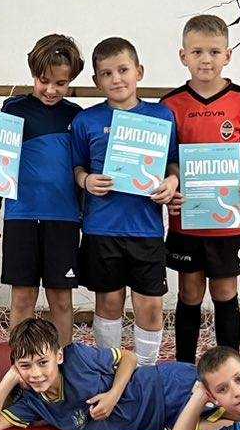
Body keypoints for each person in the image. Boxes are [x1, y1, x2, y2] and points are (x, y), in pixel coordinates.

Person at [70, 37, 179, 365]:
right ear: (96, 81)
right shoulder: (86, 121)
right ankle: (110, 370)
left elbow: (173, 162)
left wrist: (172, 181)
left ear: (139, 72)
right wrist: (86, 180)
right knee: (109, 303)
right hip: (102, 229)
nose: (116, 79)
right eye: (106, 73)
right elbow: (77, 167)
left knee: (151, 305)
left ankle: (145, 374)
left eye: (123, 70)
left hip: (146, 228)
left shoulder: (162, 116)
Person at [160, 15, 240, 361]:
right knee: (190, 292)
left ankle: (229, 368)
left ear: (228, 55)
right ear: (183, 56)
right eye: (197, 52)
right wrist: (171, 188)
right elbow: (168, 159)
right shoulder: (170, 104)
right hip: (187, 216)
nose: (206, 59)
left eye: (214, 52)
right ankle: (185, 369)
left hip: (226, 219)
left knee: (224, 291)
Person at [0, 35, 84, 345]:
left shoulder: (76, 116)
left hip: (64, 219)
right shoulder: (12, 109)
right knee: (22, 298)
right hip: (21, 216)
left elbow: (84, 166)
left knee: (61, 300)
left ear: (70, 80)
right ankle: (20, 364)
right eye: (44, 81)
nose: (51, 89)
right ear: (33, 73)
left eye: (60, 83)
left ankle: (65, 364)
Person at [0, 317, 204, 430]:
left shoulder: (77, 357)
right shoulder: (33, 403)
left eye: (43, 362)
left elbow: (129, 357)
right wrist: (10, 378)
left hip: (166, 387)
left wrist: (113, 395)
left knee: (224, 400)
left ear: (58, 356)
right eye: (25, 366)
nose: (35, 374)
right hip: (160, 423)